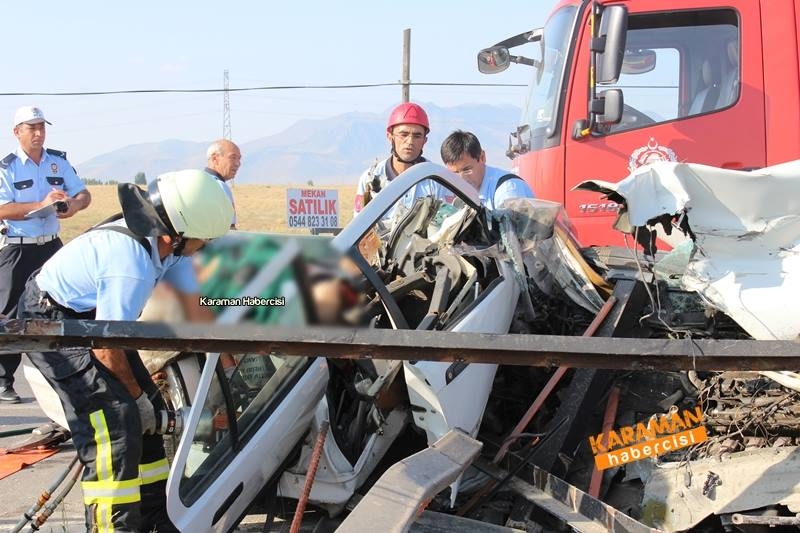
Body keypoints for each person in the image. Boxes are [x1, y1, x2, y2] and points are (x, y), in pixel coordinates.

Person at [17, 169, 234, 532]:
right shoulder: (130, 264)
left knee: (148, 413)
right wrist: (135, 399)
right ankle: (111, 527)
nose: (206, 246)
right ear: (176, 235)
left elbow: (196, 299)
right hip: (51, 320)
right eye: (204, 239)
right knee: (114, 422)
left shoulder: (160, 240)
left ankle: (152, 518)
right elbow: (106, 348)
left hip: (91, 317)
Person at [0, 106, 91, 403]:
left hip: (51, 246)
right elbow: (3, 208)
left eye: (42, 127)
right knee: (10, 313)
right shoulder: (7, 167)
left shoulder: (58, 162)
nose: (38, 133)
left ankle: (68, 374)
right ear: (17, 132)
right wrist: (40, 203)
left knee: (66, 303)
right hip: (17, 247)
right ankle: (3, 381)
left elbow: (82, 193)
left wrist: (73, 205)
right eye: (31, 128)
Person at [353, 102, 452, 222]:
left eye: (417, 136)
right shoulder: (370, 179)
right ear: (390, 137)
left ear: (424, 141)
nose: (410, 141)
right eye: (403, 134)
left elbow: (445, 228)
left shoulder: (438, 180)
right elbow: (359, 226)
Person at [440, 130, 534, 211]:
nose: (462, 179)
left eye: (467, 170)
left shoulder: (508, 190)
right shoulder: (464, 196)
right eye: (455, 173)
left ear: (482, 157)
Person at [205, 138, 241, 229]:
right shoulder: (219, 186)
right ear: (215, 159)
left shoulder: (199, 183)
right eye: (233, 157)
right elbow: (229, 231)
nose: (238, 163)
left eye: (239, 159)